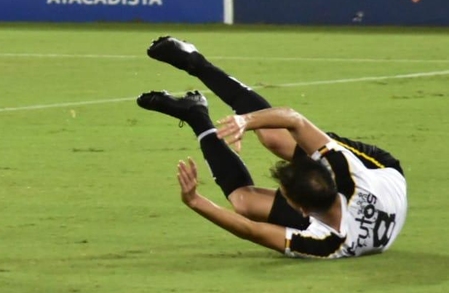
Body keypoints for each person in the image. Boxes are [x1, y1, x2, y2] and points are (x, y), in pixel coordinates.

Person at [137, 36, 407, 258]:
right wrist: (245, 120)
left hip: (346, 209)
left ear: (301, 210)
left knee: (244, 203)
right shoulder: (348, 171)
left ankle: (196, 115)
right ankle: (194, 62)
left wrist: (195, 200)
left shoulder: (326, 244)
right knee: (274, 137)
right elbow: (294, 119)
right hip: (380, 172)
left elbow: (251, 229)